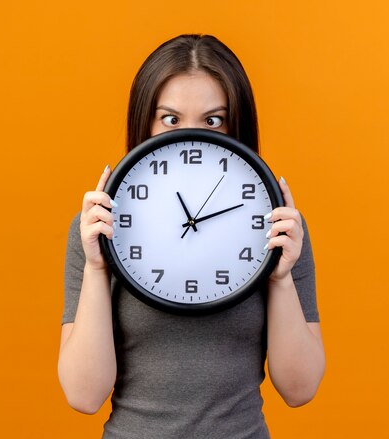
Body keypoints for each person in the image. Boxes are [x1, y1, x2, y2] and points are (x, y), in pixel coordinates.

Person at [58, 34, 325, 438]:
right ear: (144, 123)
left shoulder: (279, 229)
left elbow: (300, 389)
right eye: (171, 119)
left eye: (213, 119)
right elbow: (84, 395)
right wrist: (97, 267)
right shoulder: (98, 228)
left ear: (237, 127)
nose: (191, 136)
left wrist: (280, 277)